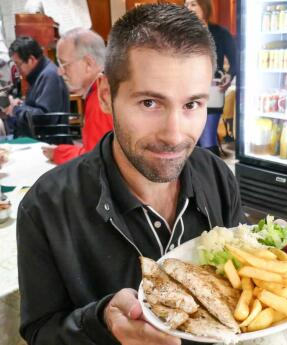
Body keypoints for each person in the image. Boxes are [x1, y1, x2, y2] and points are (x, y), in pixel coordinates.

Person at [17, 4, 244, 345]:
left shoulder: (218, 176)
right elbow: (40, 331)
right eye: (150, 103)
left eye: (192, 104)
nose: (174, 134)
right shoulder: (45, 209)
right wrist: (101, 323)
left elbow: (242, 284)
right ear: (107, 95)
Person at [41, 28, 113, 164]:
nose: (60, 72)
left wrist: (58, 153)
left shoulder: (102, 99)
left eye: (64, 64)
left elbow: (95, 162)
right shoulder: (104, 87)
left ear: (88, 64)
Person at [184, 0, 237, 155]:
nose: (188, 8)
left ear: (204, 7)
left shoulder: (220, 33)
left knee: (207, 140)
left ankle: (212, 176)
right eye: (186, 4)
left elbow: (235, 61)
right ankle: (194, 176)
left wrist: (228, 77)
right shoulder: (181, 33)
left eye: (193, 4)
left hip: (212, 90)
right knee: (192, 141)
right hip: (186, 92)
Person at [1, 36, 69, 137]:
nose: (18, 70)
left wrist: (16, 109)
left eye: (19, 64)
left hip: (46, 143)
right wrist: (22, 105)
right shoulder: (40, 73)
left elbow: (44, 117)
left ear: (31, 59)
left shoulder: (49, 75)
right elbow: (37, 106)